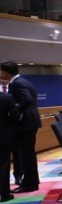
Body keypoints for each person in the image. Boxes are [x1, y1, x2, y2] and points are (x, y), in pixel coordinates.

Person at [1, 61, 42, 194]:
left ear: (6, 72)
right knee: (28, 155)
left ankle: (28, 184)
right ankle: (32, 182)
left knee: (26, 156)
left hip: (25, 124)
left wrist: (11, 108)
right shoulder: (23, 81)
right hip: (30, 123)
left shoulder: (17, 83)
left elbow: (27, 100)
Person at [0, 91, 19, 202]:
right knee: (4, 164)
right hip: (3, 136)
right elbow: (15, 116)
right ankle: (4, 194)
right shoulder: (7, 98)